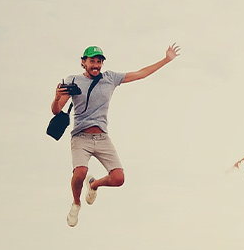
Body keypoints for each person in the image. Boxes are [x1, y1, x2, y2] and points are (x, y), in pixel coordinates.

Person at [51, 43, 181, 227]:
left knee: (118, 179)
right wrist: (56, 98)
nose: (96, 65)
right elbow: (56, 111)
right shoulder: (73, 81)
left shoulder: (110, 78)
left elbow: (140, 74)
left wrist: (166, 60)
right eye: (92, 61)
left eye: (99, 61)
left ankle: (94, 185)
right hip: (81, 136)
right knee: (80, 173)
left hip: (102, 137)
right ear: (83, 62)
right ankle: (76, 203)